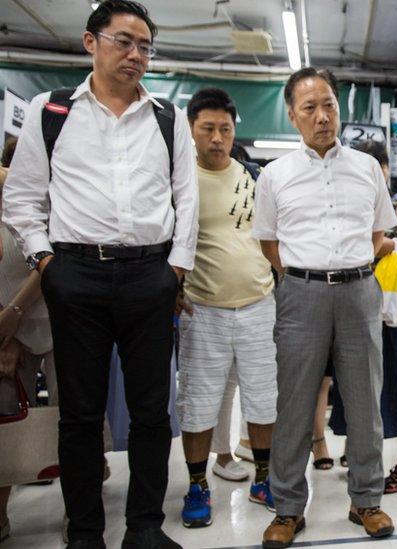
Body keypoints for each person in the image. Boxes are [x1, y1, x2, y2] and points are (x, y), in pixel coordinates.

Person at [1, 1, 198, 547]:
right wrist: (47, 263)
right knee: (80, 416)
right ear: (91, 42)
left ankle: (145, 529)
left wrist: (174, 271)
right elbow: (21, 201)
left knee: (151, 415)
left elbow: (187, 199)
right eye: (123, 41)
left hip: (149, 277)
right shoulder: (51, 111)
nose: (135, 55)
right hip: (76, 276)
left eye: (144, 46)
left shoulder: (166, 117)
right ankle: (85, 532)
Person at [252, 67, 397, 548]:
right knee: (293, 403)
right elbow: (268, 242)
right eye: (310, 107)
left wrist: (347, 269)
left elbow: (379, 236)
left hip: (359, 290)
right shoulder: (274, 175)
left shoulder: (366, 168)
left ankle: (367, 500)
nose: (322, 116)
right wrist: (302, 275)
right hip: (300, 293)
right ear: (293, 115)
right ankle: (288, 509)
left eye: (329, 105)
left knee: (364, 402)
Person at [175, 87, 277, 528]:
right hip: (203, 309)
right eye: (208, 129)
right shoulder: (179, 182)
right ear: (192, 131)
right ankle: (197, 485)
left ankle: (265, 477)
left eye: (225, 129)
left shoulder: (256, 176)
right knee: (198, 402)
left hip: (259, 305)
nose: (217, 137)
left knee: (263, 400)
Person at [329, 140, 397, 494]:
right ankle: (360, 455)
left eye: (379, 168)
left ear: (387, 171)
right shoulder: (346, 210)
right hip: (355, 311)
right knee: (355, 387)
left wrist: (388, 244)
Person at [0, 136, 59, 544]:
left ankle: (80, 509)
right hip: (6, 328)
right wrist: (7, 331)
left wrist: (13, 316)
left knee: (73, 419)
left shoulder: (63, 197)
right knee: (4, 418)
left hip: (62, 324)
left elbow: (52, 263)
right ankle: (1, 515)